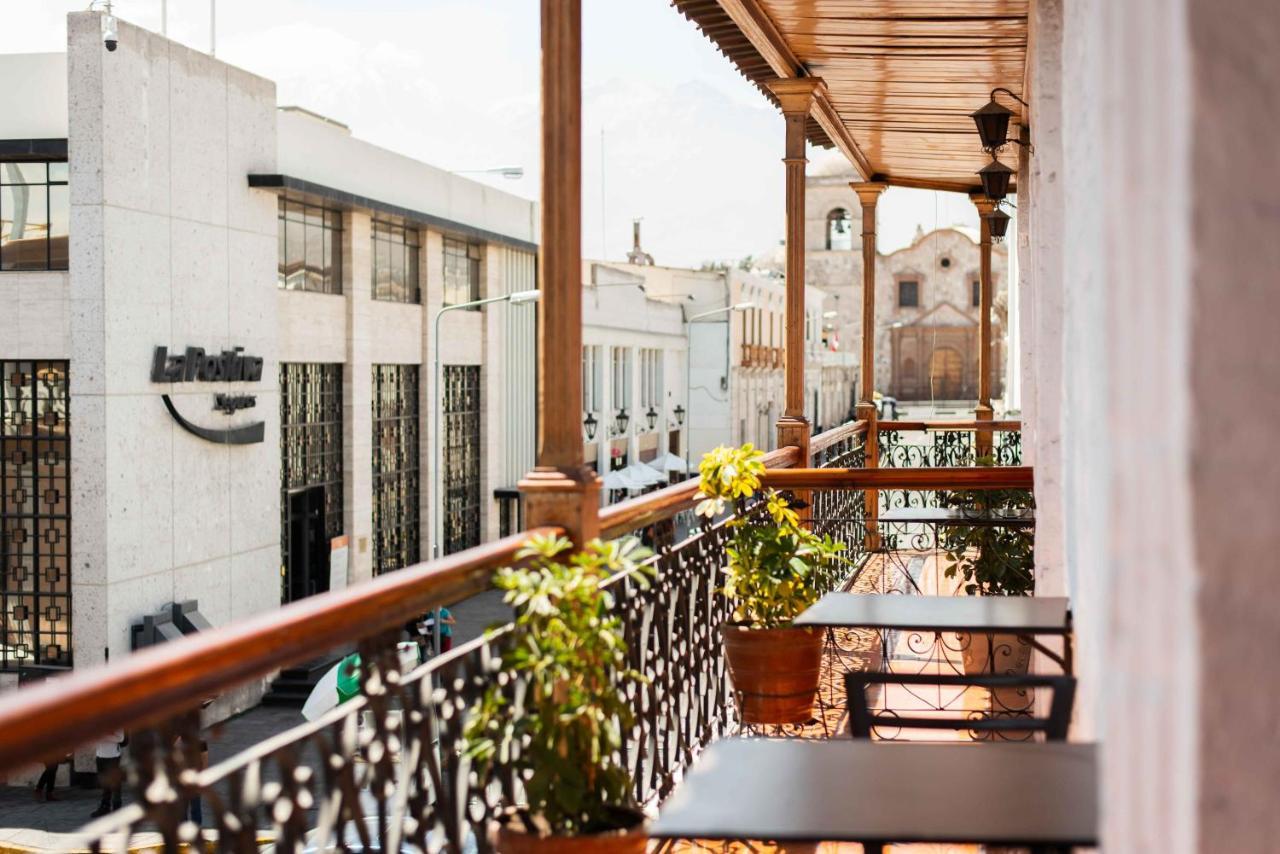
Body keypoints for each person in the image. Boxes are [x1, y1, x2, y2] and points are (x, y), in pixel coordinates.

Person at [90, 731, 126, 818]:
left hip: (113, 757)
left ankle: (117, 807)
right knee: (104, 783)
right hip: (100, 755)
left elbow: (121, 738)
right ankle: (105, 806)